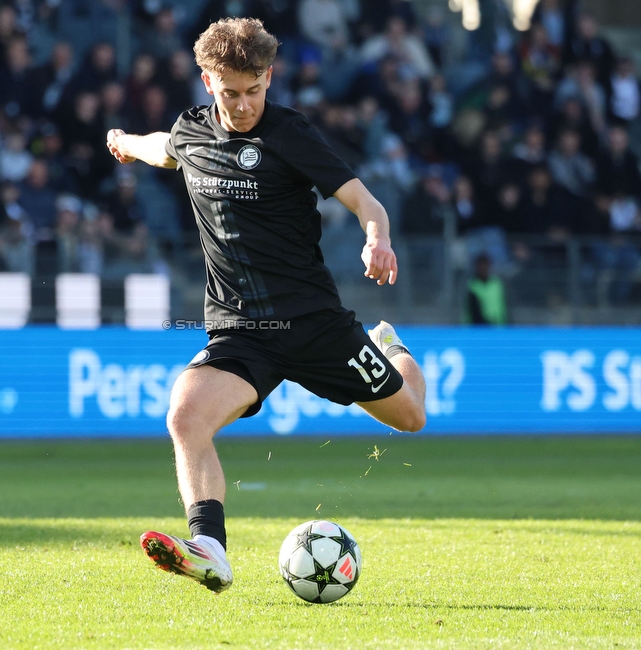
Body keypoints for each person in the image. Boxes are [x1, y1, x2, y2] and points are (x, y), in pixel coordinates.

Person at [105, 17, 426, 594]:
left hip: (314, 324)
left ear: (269, 78)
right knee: (185, 416)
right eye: (231, 92)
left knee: (410, 417)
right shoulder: (192, 133)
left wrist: (377, 239)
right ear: (208, 82)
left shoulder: (291, 135)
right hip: (242, 333)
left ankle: (390, 345)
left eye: (255, 90)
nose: (245, 103)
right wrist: (125, 143)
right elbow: (163, 149)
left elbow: (365, 200)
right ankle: (209, 547)